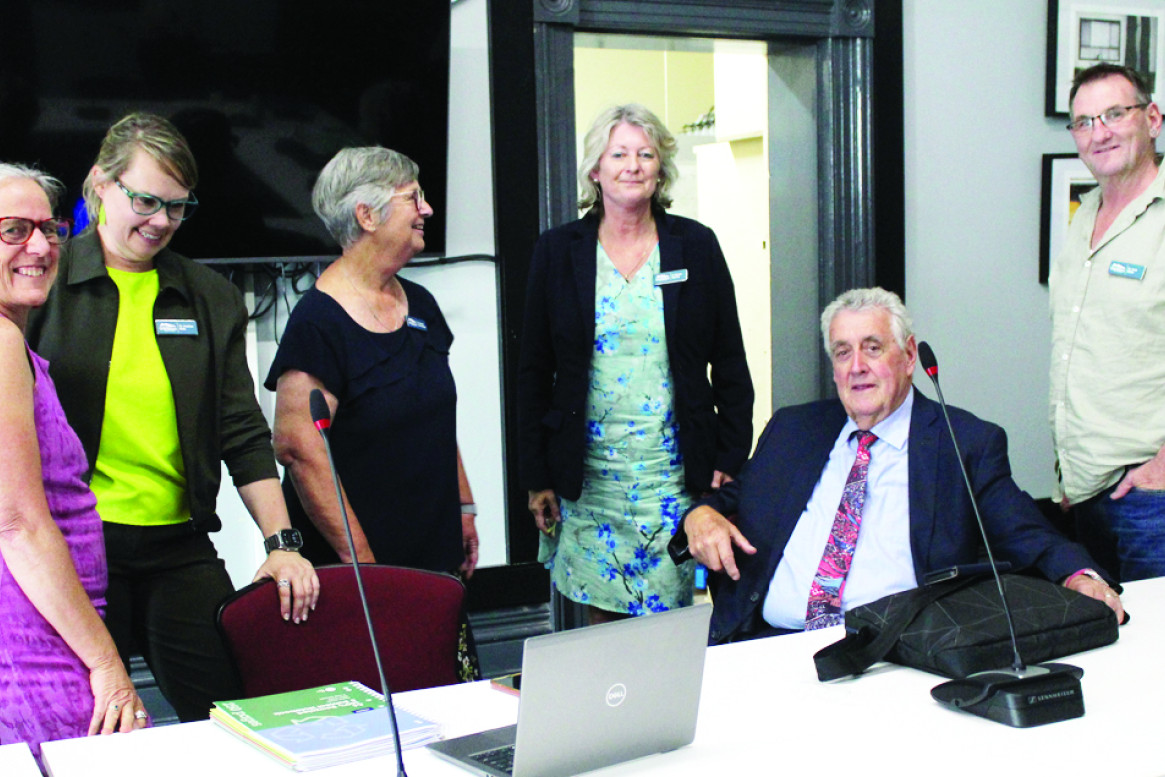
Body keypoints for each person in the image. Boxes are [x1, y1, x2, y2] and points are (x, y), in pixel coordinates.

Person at [25, 113, 319, 723]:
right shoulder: (45, 282)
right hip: (79, 546)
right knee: (88, 724)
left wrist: (283, 543)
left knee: (236, 717)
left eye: (178, 207)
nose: (161, 221)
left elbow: (240, 429)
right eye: (146, 200)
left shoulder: (207, 296)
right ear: (100, 185)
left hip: (177, 548)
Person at [673, 287, 1124, 644]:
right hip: (767, 643)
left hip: (888, 654)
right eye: (843, 352)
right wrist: (700, 515)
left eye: (873, 348)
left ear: (909, 357)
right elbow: (735, 499)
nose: (857, 367)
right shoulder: (794, 430)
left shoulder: (962, 442)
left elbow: (1025, 530)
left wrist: (1080, 576)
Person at [519, 104, 753, 623]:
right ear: (595, 170)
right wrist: (537, 476)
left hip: (672, 479)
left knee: (671, 621)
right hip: (589, 482)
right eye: (619, 153)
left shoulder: (696, 246)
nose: (633, 165)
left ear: (661, 169)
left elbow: (731, 363)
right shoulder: (557, 251)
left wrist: (731, 456)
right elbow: (534, 372)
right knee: (603, 631)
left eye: (646, 154)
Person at [268, 147, 479, 578]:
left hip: (432, 551)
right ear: (367, 215)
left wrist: (464, 504)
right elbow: (298, 450)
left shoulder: (420, 303)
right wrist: (362, 562)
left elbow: (435, 416)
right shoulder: (318, 324)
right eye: (413, 198)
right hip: (361, 572)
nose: (427, 209)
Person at [0, 163, 148, 764]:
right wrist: (108, 663)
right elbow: (18, 523)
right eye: (13, 230)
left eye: (50, 228)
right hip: (34, 646)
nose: (39, 246)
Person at [1049, 64, 1165, 582]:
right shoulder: (1082, 216)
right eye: (1083, 121)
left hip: (1151, 501)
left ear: (1153, 118)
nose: (1099, 132)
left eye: (1115, 114)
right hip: (1084, 494)